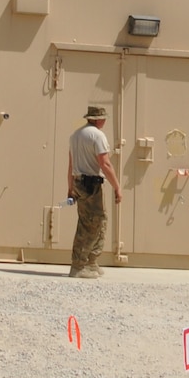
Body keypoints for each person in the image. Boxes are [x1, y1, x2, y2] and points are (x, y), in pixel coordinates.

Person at [66, 103, 122, 279]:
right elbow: (105, 164)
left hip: (79, 182)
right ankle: (78, 266)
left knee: (99, 221)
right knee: (89, 225)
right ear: (98, 120)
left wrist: (70, 188)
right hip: (91, 184)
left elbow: (71, 165)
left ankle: (91, 261)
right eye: (103, 118)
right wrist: (117, 186)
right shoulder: (97, 136)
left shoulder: (75, 135)